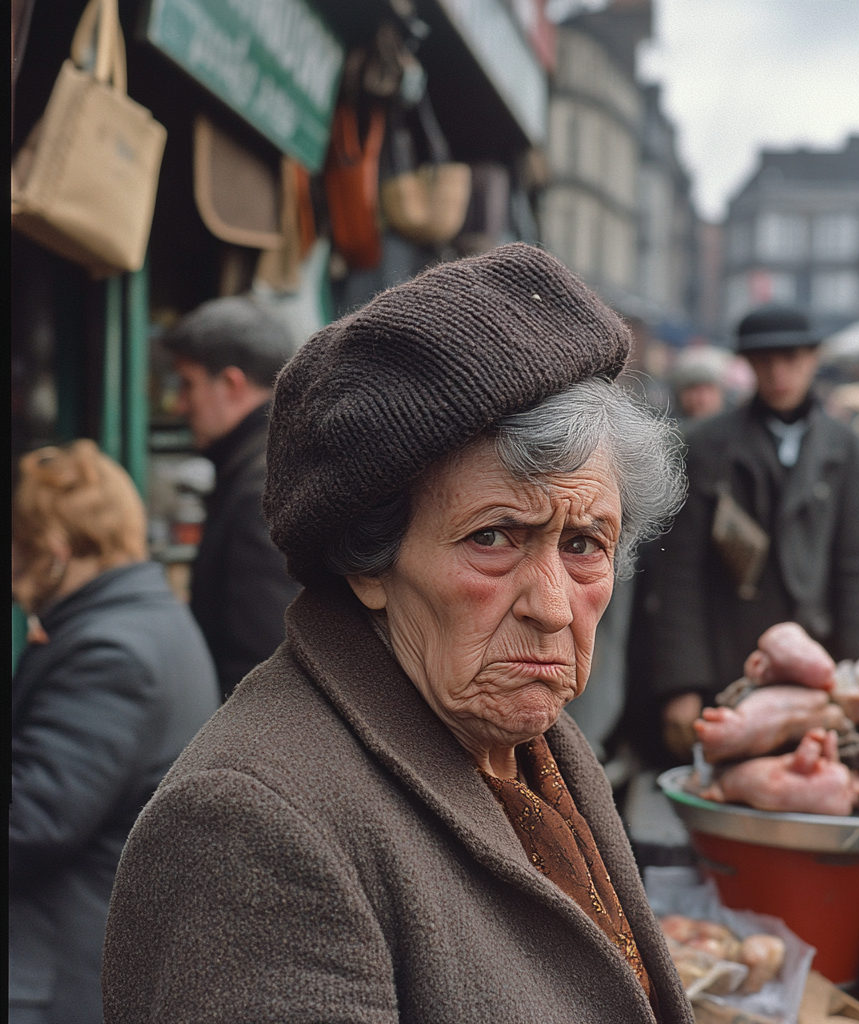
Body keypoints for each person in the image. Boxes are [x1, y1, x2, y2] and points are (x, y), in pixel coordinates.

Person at [102, 244, 693, 1023]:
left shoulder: (527, 734)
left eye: (585, 544)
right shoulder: (250, 829)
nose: (552, 606)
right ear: (369, 562)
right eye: (494, 537)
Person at [624, 305, 859, 769]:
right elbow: (678, 573)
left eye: (791, 358)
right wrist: (681, 684)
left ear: (813, 358)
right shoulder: (707, 444)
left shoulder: (842, 447)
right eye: (763, 360)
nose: (778, 372)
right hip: (730, 662)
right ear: (747, 364)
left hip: (820, 661)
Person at [10, 441, 220, 1024]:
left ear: (52, 551)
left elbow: (32, 819)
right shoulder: (145, 620)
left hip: (51, 971)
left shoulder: (112, 651)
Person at [162, 297, 300, 700]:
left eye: (188, 384)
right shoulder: (269, 463)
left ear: (232, 385)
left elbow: (263, 657)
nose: (180, 405)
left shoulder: (262, 486)